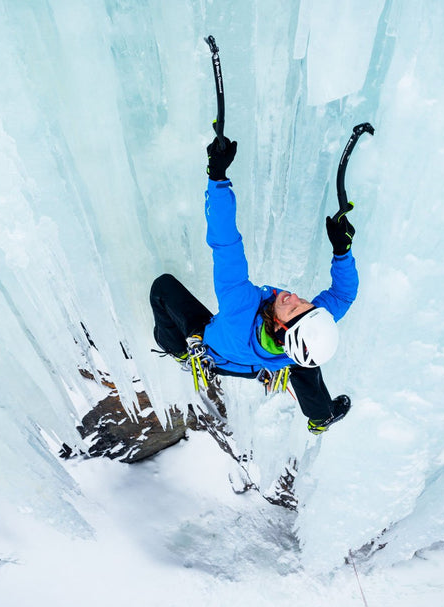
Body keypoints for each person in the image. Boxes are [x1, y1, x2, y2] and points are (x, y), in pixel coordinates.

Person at [150, 133, 358, 433]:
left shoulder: (241, 309)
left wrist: (217, 178)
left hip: (217, 353)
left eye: (292, 308)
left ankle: (177, 348)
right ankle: (321, 416)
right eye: (305, 303)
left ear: (279, 328)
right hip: (265, 364)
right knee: (304, 360)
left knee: (162, 288)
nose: (294, 297)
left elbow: (226, 243)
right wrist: (342, 252)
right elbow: (343, 295)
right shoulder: (298, 337)